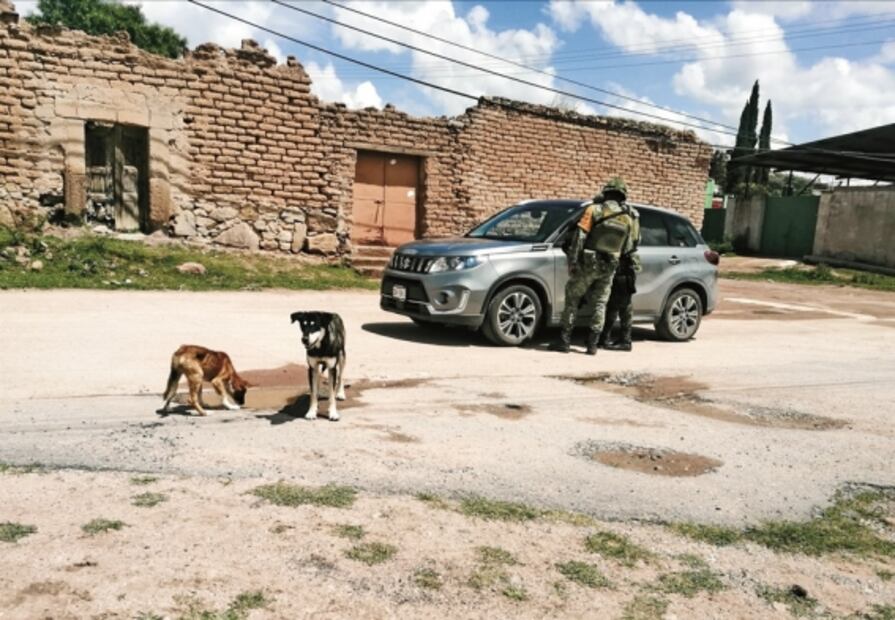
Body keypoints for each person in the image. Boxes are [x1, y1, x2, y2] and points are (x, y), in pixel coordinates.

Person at [551, 177, 638, 355]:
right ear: (623, 196)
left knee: (573, 299)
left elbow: (579, 237)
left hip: (589, 263)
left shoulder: (594, 210)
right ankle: (592, 344)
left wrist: (573, 261)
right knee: (601, 303)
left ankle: (564, 340)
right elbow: (629, 246)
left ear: (605, 193)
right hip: (610, 265)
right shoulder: (628, 218)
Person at [598, 242, 641, 351]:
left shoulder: (623, 232)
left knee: (617, 306)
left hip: (623, 273)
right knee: (621, 306)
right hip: (625, 272)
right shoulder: (629, 229)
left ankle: (620, 340)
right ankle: (614, 338)